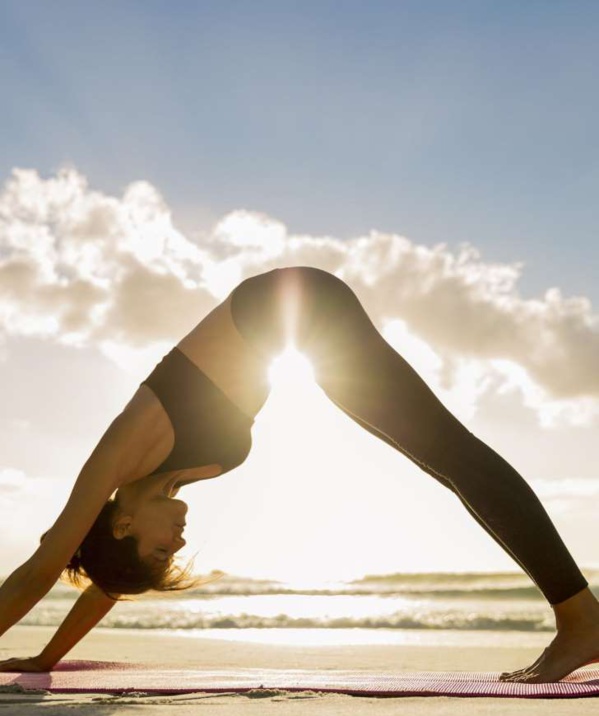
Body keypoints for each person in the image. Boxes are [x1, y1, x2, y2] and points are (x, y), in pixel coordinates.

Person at [0, 266, 598, 683]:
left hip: (295, 309)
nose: (177, 544)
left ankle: (581, 621)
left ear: (123, 524)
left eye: (160, 551)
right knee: (446, 458)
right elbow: (111, 581)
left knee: (452, 454)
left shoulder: (120, 452)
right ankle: (580, 618)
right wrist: (44, 657)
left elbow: (40, 569)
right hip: (304, 325)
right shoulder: (159, 484)